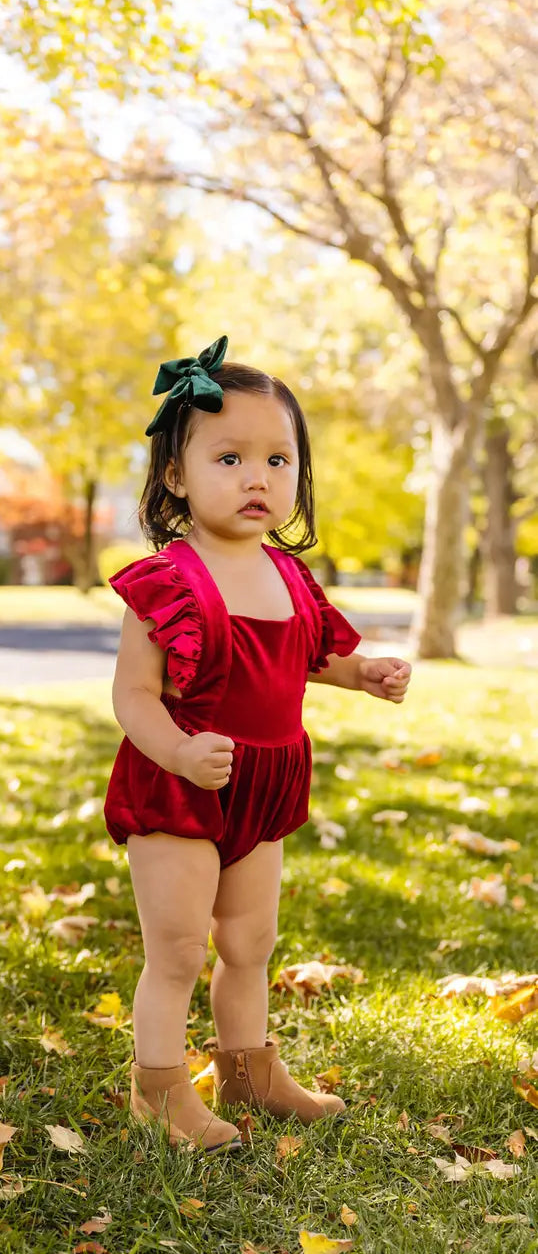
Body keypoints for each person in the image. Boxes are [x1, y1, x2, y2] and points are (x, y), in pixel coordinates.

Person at [103, 335, 412, 1153]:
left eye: (279, 460)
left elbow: (314, 655)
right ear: (177, 475)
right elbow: (132, 694)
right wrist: (174, 751)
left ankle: (250, 1071)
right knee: (175, 948)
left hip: (266, 784)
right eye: (230, 456)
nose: (257, 478)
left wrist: (365, 672)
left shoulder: (290, 578)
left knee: (249, 942)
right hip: (183, 785)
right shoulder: (170, 578)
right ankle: (159, 1090)